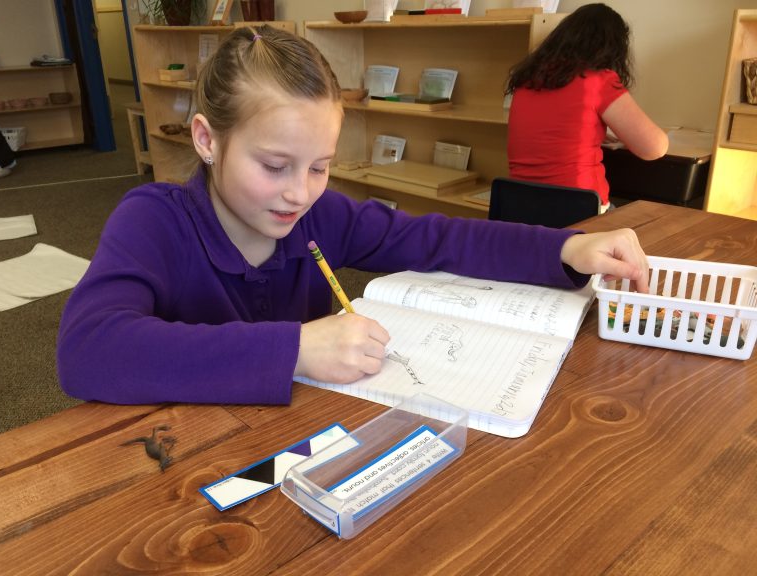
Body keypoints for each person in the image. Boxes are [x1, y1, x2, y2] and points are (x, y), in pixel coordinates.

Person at [57, 25, 649, 406]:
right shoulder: (153, 220)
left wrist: (562, 249)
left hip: (304, 442)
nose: (299, 193)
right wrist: (292, 349)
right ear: (208, 140)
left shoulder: (321, 216)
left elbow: (437, 238)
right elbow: (86, 350)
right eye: (274, 165)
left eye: (319, 166)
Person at [505, 3, 668, 209]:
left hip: (520, 207)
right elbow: (654, 148)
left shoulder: (526, 80)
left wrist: (592, 133)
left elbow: (550, 132)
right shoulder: (598, 80)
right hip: (576, 209)